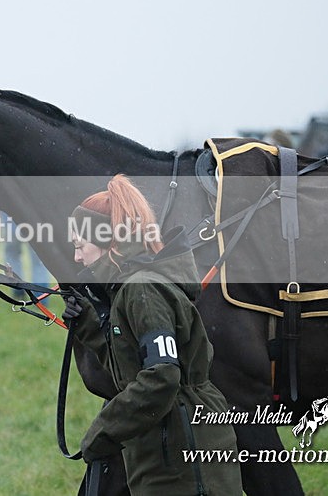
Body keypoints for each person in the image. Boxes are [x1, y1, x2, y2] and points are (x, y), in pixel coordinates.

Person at [62, 174, 242, 495]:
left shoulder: (142, 290)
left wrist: (103, 430)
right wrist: (87, 322)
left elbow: (161, 378)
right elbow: (130, 370)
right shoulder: (131, 289)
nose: (77, 257)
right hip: (167, 446)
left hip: (182, 454)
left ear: (108, 242)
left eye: (80, 246)